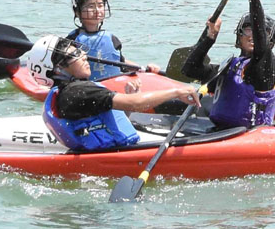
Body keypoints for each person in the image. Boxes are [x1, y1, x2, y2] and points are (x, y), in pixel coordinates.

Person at [42, 40, 200, 151]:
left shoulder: (68, 91)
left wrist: (130, 102)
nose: (83, 55)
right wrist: (177, 91)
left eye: (80, 50)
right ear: (58, 69)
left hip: (106, 150)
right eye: (75, 54)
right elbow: (136, 104)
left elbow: (98, 123)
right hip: (110, 155)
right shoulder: (79, 91)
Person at [180, 0, 275, 129]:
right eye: (247, 31)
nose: (252, 37)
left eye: (257, 33)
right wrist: (209, 38)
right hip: (219, 131)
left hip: (249, 136)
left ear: (269, 41)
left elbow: (260, 38)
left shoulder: (265, 68)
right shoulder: (232, 67)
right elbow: (189, 70)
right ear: (239, 36)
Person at [20, 0, 159, 85]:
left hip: (114, 87)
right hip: (86, 90)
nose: (97, 11)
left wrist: (144, 69)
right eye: (90, 6)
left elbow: (120, 62)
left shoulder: (112, 39)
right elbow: (61, 69)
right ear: (77, 12)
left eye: (100, 5)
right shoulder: (71, 41)